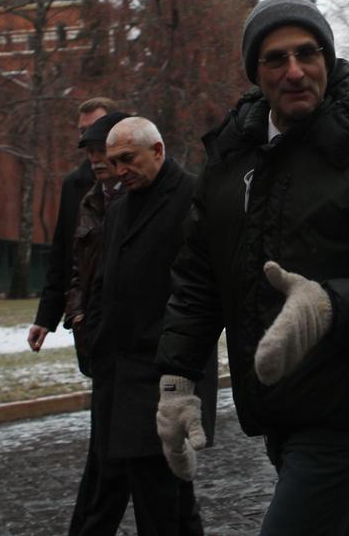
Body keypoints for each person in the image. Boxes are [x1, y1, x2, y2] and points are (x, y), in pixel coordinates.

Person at [153, 0, 349, 536]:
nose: (295, 71)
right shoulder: (228, 164)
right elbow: (199, 281)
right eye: (276, 59)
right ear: (256, 73)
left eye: (308, 54)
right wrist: (177, 380)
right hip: (275, 406)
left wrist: (327, 307)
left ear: (327, 60)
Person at [70, 117, 216, 536]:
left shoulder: (194, 197)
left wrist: (178, 362)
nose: (119, 171)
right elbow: (101, 285)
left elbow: (204, 291)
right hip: (117, 378)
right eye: (113, 162)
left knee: (161, 499)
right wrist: (94, 340)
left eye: (127, 159)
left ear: (157, 150)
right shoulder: (117, 210)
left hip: (166, 375)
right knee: (163, 498)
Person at [28, 96, 118, 353]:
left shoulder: (138, 178)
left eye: (97, 126)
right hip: (88, 314)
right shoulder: (75, 185)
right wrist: (46, 318)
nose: (90, 135)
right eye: (83, 131)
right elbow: (63, 254)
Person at [65, 110, 129, 374]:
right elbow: (76, 268)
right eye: (89, 152)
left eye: (100, 150)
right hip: (94, 334)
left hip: (133, 338)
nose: (94, 159)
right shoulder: (89, 202)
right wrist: (76, 316)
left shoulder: (142, 198)